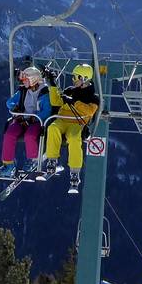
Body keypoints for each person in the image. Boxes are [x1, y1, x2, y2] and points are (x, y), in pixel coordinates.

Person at [43, 63, 99, 193]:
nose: (73, 80)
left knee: (74, 138)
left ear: (84, 78)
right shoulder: (70, 90)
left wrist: (74, 102)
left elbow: (89, 111)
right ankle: (52, 161)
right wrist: (53, 85)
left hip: (77, 123)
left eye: (76, 77)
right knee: (52, 128)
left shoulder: (93, 97)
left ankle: (75, 172)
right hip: (62, 120)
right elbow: (56, 102)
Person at [0, 66, 52, 177]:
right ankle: (8, 164)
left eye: (26, 79)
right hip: (22, 120)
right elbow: (10, 102)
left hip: (36, 121)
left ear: (33, 79)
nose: (23, 81)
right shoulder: (23, 91)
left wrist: (36, 117)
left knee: (30, 136)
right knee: (9, 134)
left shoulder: (44, 93)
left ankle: (32, 160)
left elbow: (47, 111)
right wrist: (14, 107)